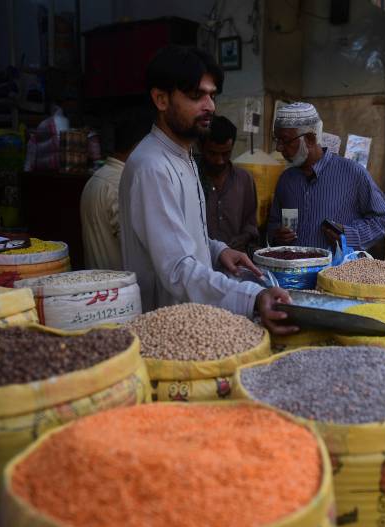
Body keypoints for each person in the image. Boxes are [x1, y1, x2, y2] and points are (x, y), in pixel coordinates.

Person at [118, 45, 294, 334]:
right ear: (161, 99)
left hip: (190, 318)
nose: (210, 106)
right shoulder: (153, 167)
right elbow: (177, 268)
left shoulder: (183, 156)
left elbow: (181, 237)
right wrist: (252, 297)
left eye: (212, 95)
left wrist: (217, 250)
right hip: (166, 328)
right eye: (196, 95)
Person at [266, 102, 385, 251]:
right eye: (277, 140)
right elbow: (273, 223)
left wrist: (348, 235)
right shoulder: (286, 179)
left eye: (285, 141)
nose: (279, 148)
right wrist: (276, 234)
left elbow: (382, 219)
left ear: (310, 139)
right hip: (293, 271)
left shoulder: (353, 173)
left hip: (335, 272)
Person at [80, 109, 152, 270]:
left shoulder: (97, 178)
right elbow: (136, 249)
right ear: (139, 147)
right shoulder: (122, 184)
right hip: (117, 289)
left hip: (101, 286)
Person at [198, 115, 259, 254]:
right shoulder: (191, 178)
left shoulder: (245, 179)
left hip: (236, 264)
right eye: (213, 153)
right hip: (200, 263)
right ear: (201, 147)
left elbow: (251, 224)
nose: (219, 161)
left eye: (226, 154)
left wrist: (244, 237)